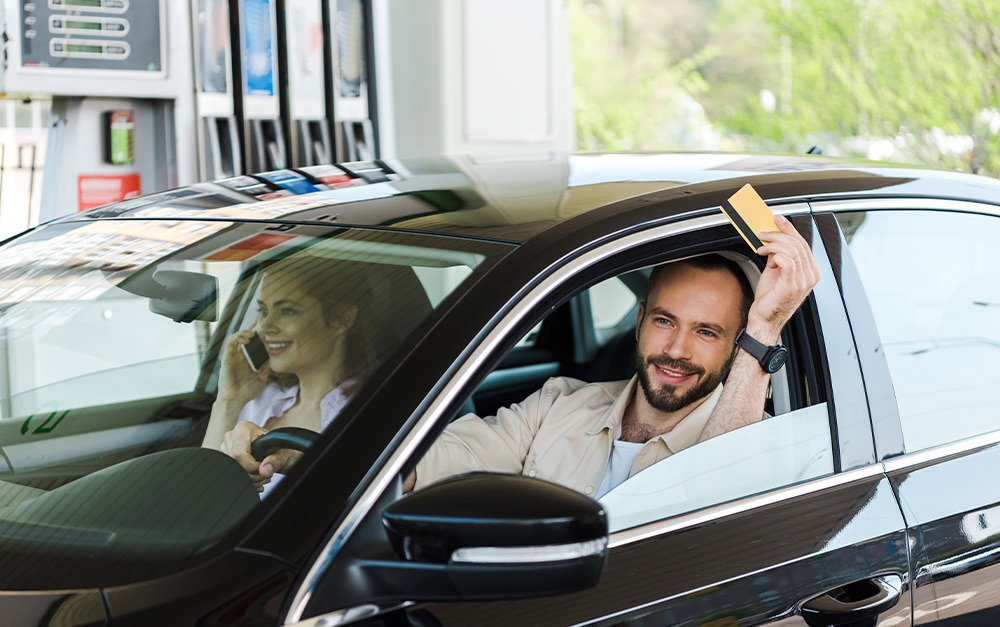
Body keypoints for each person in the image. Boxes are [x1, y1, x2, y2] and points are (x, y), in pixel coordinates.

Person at [405, 214, 820, 496]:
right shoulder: (558, 405)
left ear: (736, 344)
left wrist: (765, 327)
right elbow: (441, 459)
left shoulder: (756, 443)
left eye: (706, 332)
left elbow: (723, 517)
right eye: (664, 321)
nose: (677, 350)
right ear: (639, 321)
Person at [202, 255, 375, 495]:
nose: (265, 326)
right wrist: (229, 399)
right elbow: (203, 490)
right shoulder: (260, 398)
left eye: (287, 311)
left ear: (341, 318)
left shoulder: (370, 412)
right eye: (263, 310)